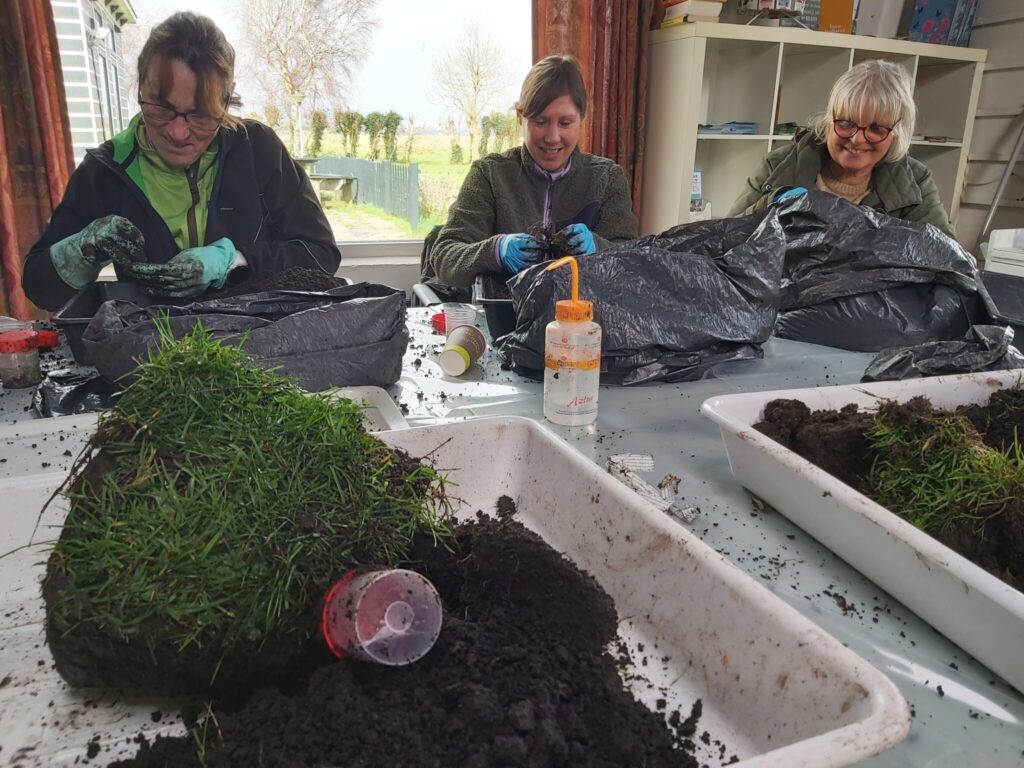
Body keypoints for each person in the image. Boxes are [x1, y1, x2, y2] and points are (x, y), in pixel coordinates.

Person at [22, 12, 341, 311]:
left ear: (225, 100)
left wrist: (232, 259)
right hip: (152, 344)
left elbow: (321, 255)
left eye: (201, 114)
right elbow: (40, 289)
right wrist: (81, 250)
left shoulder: (257, 149)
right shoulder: (105, 171)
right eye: (161, 108)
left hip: (259, 338)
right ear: (141, 88)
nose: (177, 133)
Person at [426, 55, 638, 290]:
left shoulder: (607, 179)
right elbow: (445, 258)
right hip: (502, 312)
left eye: (565, 123)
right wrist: (496, 251)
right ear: (521, 118)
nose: (552, 137)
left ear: (582, 120)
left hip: (582, 311)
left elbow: (633, 264)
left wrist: (597, 247)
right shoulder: (489, 175)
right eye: (540, 121)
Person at [728, 59, 955, 238]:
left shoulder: (914, 182)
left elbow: (948, 257)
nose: (857, 139)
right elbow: (724, 236)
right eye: (846, 123)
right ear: (829, 121)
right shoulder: (778, 166)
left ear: (897, 133)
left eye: (876, 129)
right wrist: (770, 203)